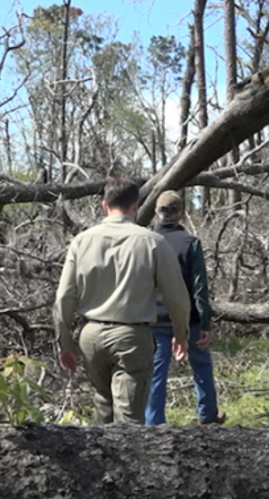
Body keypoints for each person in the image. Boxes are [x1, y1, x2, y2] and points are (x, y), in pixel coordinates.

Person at [53, 178, 192, 424]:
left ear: (104, 206)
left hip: (91, 335)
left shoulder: (82, 241)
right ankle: (131, 462)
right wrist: (181, 333)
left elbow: (64, 297)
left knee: (102, 407)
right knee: (130, 421)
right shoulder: (152, 242)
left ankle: (102, 461)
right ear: (135, 205)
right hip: (131, 337)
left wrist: (65, 342)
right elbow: (176, 297)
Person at [146, 190, 225, 426]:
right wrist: (204, 322)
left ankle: (153, 423)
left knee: (156, 372)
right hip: (188, 318)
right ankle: (208, 414)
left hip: (154, 318)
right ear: (181, 214)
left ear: (156, 213)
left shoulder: (146, 241)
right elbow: (200, 287)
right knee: (200, 363)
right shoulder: (191, 243)